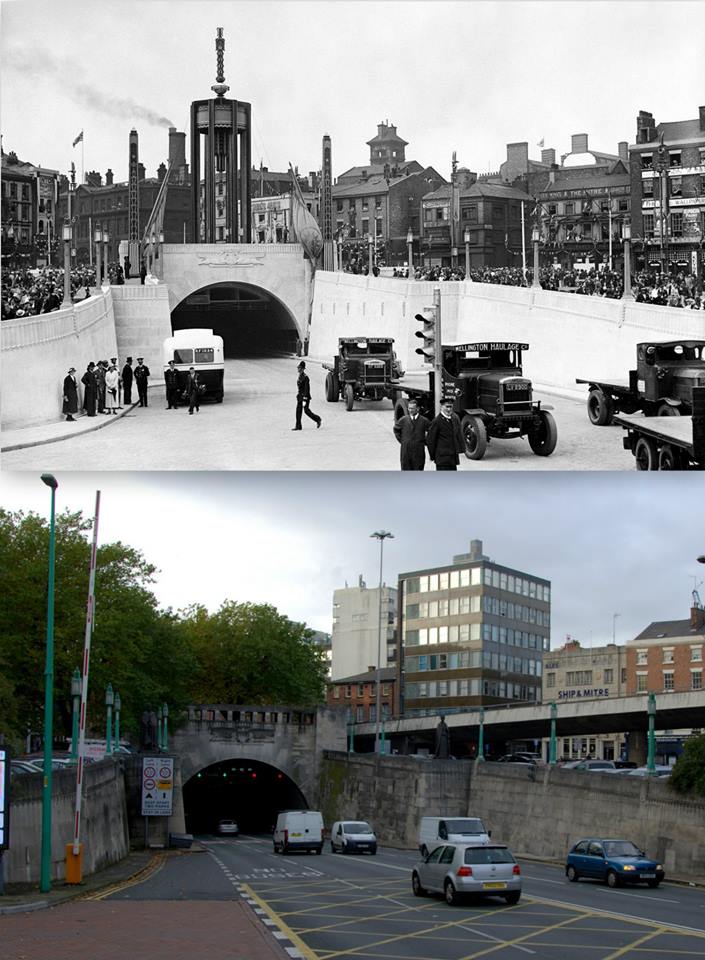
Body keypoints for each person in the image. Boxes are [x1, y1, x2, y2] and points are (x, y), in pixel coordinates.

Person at [426, 398, 464, 471]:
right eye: (447, 407)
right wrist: (433, 456)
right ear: (442, 407)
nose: (449, 409)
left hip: (452, 458)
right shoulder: (437, 421)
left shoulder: (455, 418)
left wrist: (461, 449)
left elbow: (459, 434)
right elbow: (430, 440)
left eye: (451, 407)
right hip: (442, 459)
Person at [393, 398, 430, 470]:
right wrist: (403, 441)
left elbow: (431, 432)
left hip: (419, 452)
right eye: (409, 408)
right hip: (406, 452)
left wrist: (424, 441)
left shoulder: (424, 421)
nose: (410, 410)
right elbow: (396, 430)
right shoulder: (403, 420)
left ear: (418, 409)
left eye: (412, 408)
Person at [293, 360, 321, 430]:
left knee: (306, 411)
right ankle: (298, 426)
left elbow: (307, 389)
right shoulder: (300, 376)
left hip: (305, 397)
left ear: (302, 369)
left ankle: (318, 419)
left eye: (299, 368)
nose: (298, 369)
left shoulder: (306, 377)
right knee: (298, 411)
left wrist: (305, 398)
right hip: (300, 396)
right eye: (298, 368)